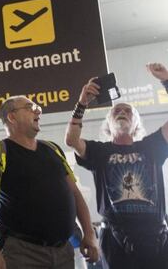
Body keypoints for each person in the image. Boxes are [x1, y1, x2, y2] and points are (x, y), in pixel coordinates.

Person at [0, 95, 99, 269]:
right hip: (22, 253)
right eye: (29, 107)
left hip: (63, 250)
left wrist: (89, 233)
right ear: (12, 117)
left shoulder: (52, 149)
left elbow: (75, 194)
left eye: (36, 107)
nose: (37, 111)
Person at [65, 63, 168, 269]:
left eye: (128, 111)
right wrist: (82, 103)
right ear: (108, 124)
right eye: (116, 111)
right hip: (115, 237)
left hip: (156, 236)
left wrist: (166, 80)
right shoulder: (99, 152)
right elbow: (71, 140)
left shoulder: (152, 146)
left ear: (137, 124)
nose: (122, 112)